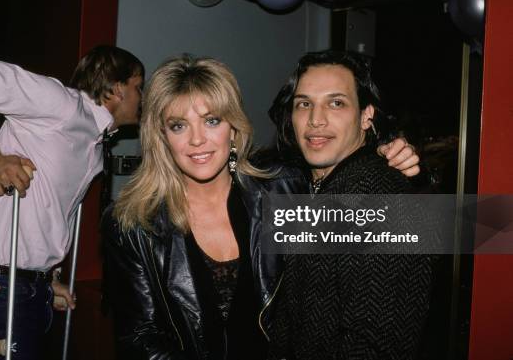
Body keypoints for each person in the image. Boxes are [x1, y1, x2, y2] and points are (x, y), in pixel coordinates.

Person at [102, 54, 420, 360]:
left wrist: (386, 151)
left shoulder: (284, 190)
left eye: (212, 120)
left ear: (234, 129)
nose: (197, 139)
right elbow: (140, 340)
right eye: (178, 125)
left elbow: (365, 209)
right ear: (161, 136)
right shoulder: (132, 223)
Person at [0, 45, 144, 359]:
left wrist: (47, 279)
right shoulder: (62, 104)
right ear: (117, 89)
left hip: (25, 291)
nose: (141, 97)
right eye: (138, 87)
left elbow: (46, 212)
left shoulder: (93, 143)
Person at [266, 50, 434, 360]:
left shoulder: (376, 196)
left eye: (336, 103)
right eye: (304, 104)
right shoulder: (306, 184)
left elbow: (375, 346)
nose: (316, 120)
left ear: (366, 115)